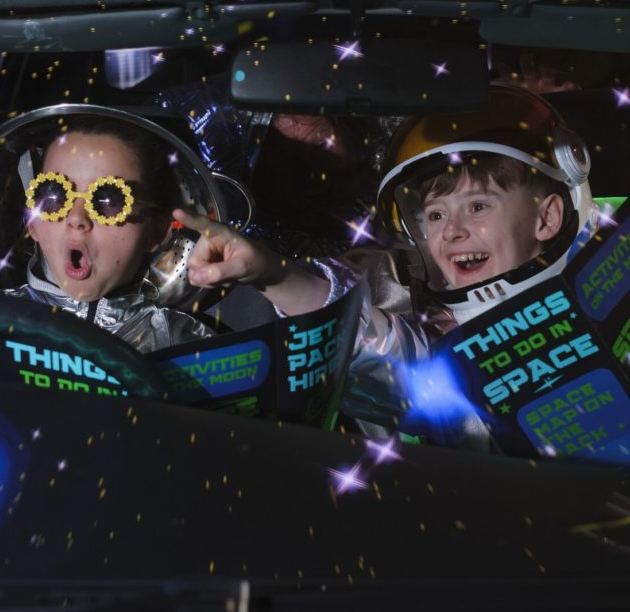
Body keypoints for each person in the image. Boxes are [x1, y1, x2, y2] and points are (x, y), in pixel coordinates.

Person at [174, 84, 597, 442]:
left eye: (479, 206)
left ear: (548, 218)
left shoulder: (613, 292)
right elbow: (368, 342)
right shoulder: (445, 363)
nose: (452, 231)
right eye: (435, 215)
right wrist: (272, 273)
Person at [0, 112, 214, 381]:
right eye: (54, 196)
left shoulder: (185, 344)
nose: (77, 218)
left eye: (110, 200)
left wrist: (269, 283)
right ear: (33, 222)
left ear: (156, 232)